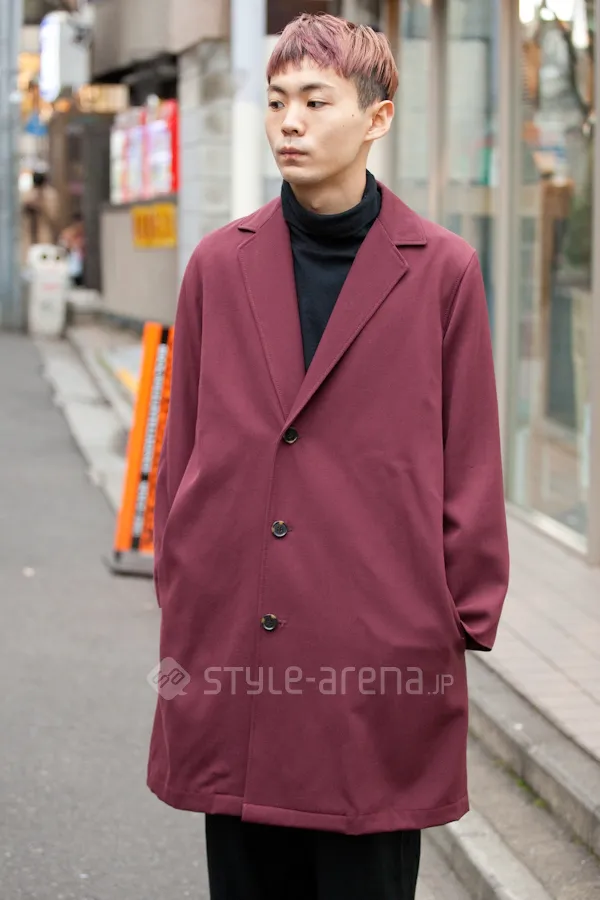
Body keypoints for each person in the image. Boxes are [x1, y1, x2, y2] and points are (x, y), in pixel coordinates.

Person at [148, 13, 510, 900]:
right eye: (277, 102)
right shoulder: (217, 266)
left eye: (316, 101)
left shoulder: (443, 270)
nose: (290, 122)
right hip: (238, 637)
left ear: (377, 118)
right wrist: (184, 583)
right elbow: (183, 443)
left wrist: (457, 619)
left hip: (376, 651)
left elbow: (470, 456)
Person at [20, 170, 61, 265]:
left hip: (44, 234)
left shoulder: (50, 195)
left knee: (44, 260)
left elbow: (53, 216)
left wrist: (41, 206)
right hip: (29, 233)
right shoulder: (28, 193)